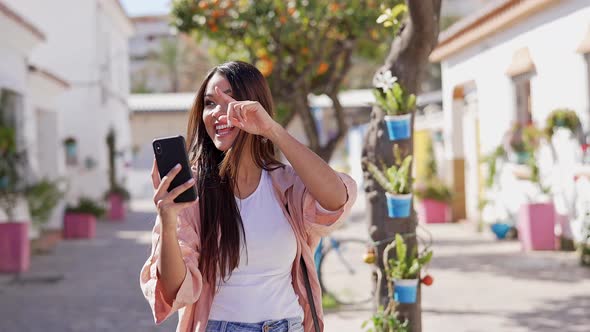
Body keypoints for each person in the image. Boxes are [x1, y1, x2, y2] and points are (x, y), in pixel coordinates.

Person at [140, 61, 357, 332]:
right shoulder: (193, 193)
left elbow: (336, 200)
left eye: (228, 99)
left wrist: (272, 130)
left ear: (254, 104)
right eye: (209, 103)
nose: (218, 113)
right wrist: (168, 221)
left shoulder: (286, 184)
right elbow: (174, 289)